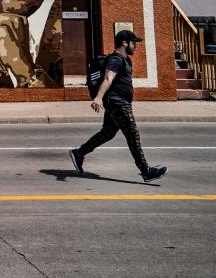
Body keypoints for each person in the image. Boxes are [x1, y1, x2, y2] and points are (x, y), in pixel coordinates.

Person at [70, 30, 167, 182]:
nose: (136, 46)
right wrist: (98, 97)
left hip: (119, 102)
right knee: (133, 134)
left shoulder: (126, 60)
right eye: (133, 43)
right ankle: (146, 171)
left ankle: (79, 152)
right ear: (124, 43)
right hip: (117, 103)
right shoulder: (115, 59)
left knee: (108, 133)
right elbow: (108, 78)